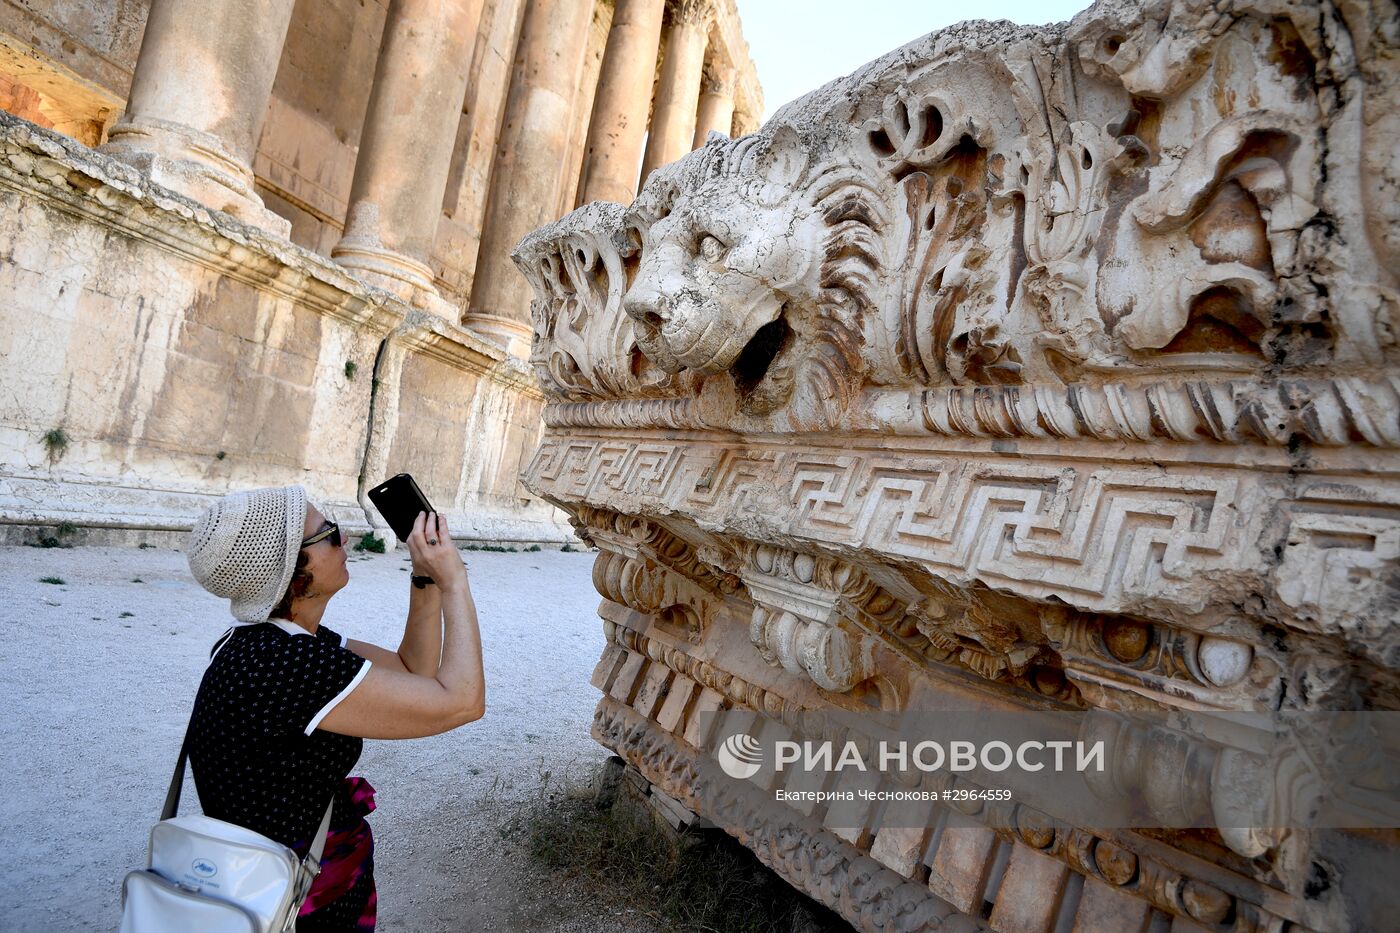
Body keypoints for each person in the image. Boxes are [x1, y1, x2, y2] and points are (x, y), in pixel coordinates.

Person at [183, 485, 484, 931]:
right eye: (328, 533)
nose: (344, 540)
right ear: (289, 565)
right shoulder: (286, 664)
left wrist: (425, 579)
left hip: (300, 885)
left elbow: (411, 672)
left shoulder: (272, 643)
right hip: (298, 904)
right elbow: (462, 702)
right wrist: (455, 580)